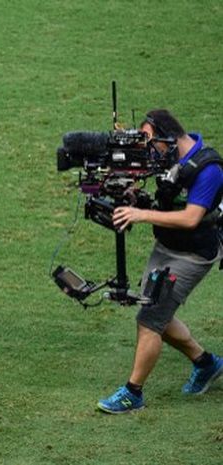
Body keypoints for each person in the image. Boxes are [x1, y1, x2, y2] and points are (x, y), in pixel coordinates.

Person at [97, 109, 223, 413]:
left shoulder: (208, 168)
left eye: (151, 141)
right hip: (166, 247)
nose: (148, 150)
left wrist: (140, 215)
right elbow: (164, 198)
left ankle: (133, 393)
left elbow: (191, 218)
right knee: (156, 313)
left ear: (169, 136)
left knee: (150, 319)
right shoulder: (168, 159)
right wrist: (132, 196)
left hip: (192, 255)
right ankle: (206, 364)